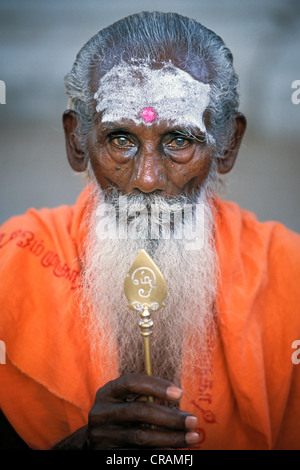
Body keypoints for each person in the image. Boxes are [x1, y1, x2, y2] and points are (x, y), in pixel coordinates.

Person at [0, 11, 300, 451]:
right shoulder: (13, 265)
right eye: (120, 139)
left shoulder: (289, 274)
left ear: (228, 146)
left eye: (179, 140)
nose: (146, 178)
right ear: (77, 143)